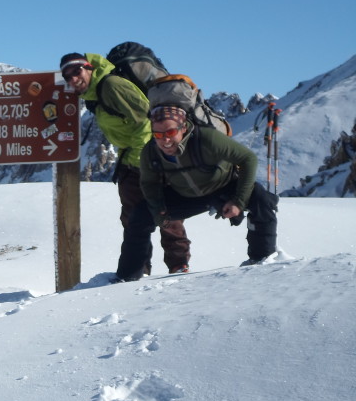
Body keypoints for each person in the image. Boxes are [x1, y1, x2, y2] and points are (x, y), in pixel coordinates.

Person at [59, 53, 191, 277]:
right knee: (133, 218)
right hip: (130, 161)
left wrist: (144, 159)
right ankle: (139, 269)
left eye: (76, 71)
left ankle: (178, 266)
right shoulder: (95, 95)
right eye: (67, 76)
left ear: (88, 68)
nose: (73, 79)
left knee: (164, 211)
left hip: (149, 159)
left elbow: (145, 119)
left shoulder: (111, 85)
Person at [115, 105, 278, 281]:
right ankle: (127, 276)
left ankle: (262, 259)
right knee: (140, 214)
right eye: (158, 135)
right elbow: (149, 183)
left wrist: (239, 201)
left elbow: (248, 159)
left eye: (170, 133)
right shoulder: (150, 152)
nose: (164, 140)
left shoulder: (207, 139)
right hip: (184, 196)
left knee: (260, 198)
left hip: (222, 188)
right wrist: (157, 210)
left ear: (183, 127)